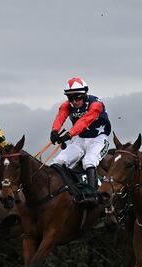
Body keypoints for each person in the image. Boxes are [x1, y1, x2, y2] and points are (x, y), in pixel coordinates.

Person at [49, 77, 111, 206]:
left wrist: (68, 135)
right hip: (80, 139)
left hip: (98, 139)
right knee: (58, 161)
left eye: (77, 97)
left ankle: (93, 195)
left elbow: (85, 121)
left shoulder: (96, 104)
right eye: (70, 98)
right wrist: (54, 131)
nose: (74, 101)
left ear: (85, 94)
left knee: (89, 161)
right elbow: (61, 116)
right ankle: (68, 190)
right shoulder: (67, 105)